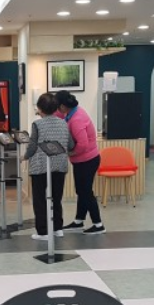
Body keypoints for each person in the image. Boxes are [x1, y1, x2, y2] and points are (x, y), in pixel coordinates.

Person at [25, 92, 75, 240]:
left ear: (40, 108)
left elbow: (32, 146)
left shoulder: (37, 124)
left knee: (40, 200)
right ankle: (58, 229)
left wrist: (24, 157)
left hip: (40, 166)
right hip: (60, 165)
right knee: (56, 198)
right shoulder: (64, 123)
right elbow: (70, 145)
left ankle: (43, 232)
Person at [56, 90, 104, 235]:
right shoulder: (72, 112)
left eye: (57, 106)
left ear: (63, 106)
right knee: (81, 191)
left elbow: (82, 144)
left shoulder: (76, 119)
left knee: (86, 192)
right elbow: (58, 115)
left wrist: (69, 153)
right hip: (82, 161)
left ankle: (98, 224)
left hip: (88, 161)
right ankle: (79, 221)